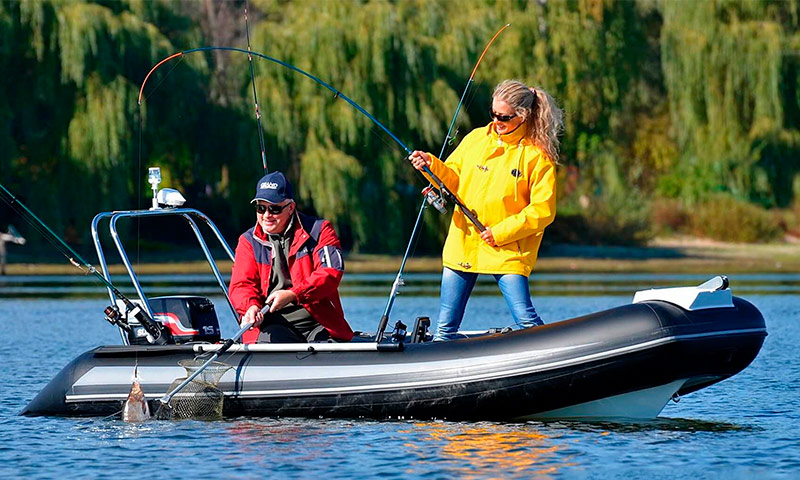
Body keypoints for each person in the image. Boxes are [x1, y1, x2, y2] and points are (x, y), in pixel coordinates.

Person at [409, 79, 563, 340]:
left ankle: (557, 357)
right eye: (492, 113)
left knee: (527, 320)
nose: (496, 120)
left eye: (503, 116)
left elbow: (542, 210)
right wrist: (430, 165)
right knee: (444, 330)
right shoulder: (476, 138)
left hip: (505, 250)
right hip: (463, 243)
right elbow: (453, 179)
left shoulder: (538, 156)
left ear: (522, 116)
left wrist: (500, 233)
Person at [228, 171, 354, 343]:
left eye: (274, 208)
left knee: (327, 347)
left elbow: (331, 273)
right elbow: (241, 285)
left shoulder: (320, 230)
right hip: (272, 325)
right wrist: (250, 307)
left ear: (291, 207)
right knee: (269, 344)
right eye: (260, 208)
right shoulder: (247, 241)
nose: (266, 215)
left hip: (320, 323)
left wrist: (294, 294)